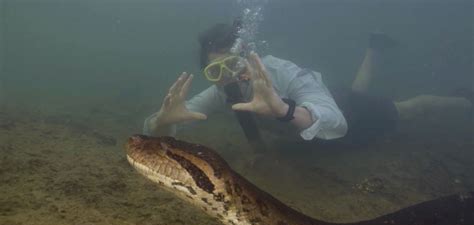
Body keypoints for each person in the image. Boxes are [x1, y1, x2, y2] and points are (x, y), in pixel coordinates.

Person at [143, 21, 472, 146]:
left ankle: (463, 102)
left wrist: (284, 110)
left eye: (233, 64)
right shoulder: (221, 92)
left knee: (410, 110)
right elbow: (154, 132)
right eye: (216, 71)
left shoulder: (282, 72)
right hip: (326, 113)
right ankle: (374, 46)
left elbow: (337, 121)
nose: (228, 77)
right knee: (359, 88)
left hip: (346, 110)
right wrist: (162, 121)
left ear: (248, 56)